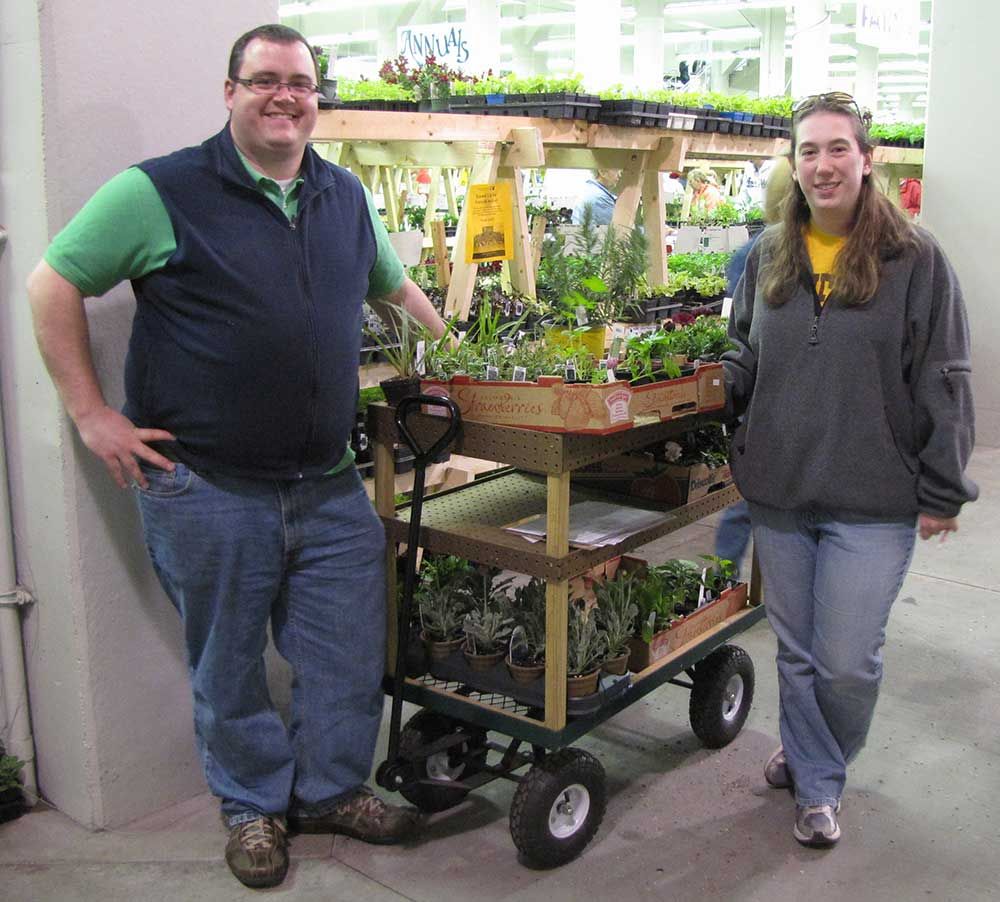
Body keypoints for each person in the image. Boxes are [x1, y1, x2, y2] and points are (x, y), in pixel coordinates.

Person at [27, 24, 448, 889]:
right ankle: (253, 808)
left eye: (301, 82)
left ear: (317, 98)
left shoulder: (343, 196)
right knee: (228, 662)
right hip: (207, 486)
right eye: (266, 80)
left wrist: (465, 355)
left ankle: (331, 788)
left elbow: (392, 285)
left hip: (329, 485)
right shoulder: (164, 190)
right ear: (230, 92)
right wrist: (91, 415)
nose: (286, 96)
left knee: (343, 650)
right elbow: (51, 281)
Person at [723, 93, 977, 849]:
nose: (823, 165)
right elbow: (743, 346)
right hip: (781, 490)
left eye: (838, 149)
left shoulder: (915, 260)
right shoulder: (769, 253)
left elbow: (945, 375)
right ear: (793, 165)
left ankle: (815, 755)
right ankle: (818, 780)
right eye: (808, 151)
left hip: (873, 497)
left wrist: (942, 487)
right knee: (796, 649)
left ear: (867, 160)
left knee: (845, 660)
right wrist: (723, 395)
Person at [715, 156, 794, 576]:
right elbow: (742, 336)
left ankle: (724, 573)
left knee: (744, 497)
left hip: (766, 414)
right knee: (745, 497)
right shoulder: (762, 251)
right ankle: (724, 575)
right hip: (764, 409)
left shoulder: (754, 247)